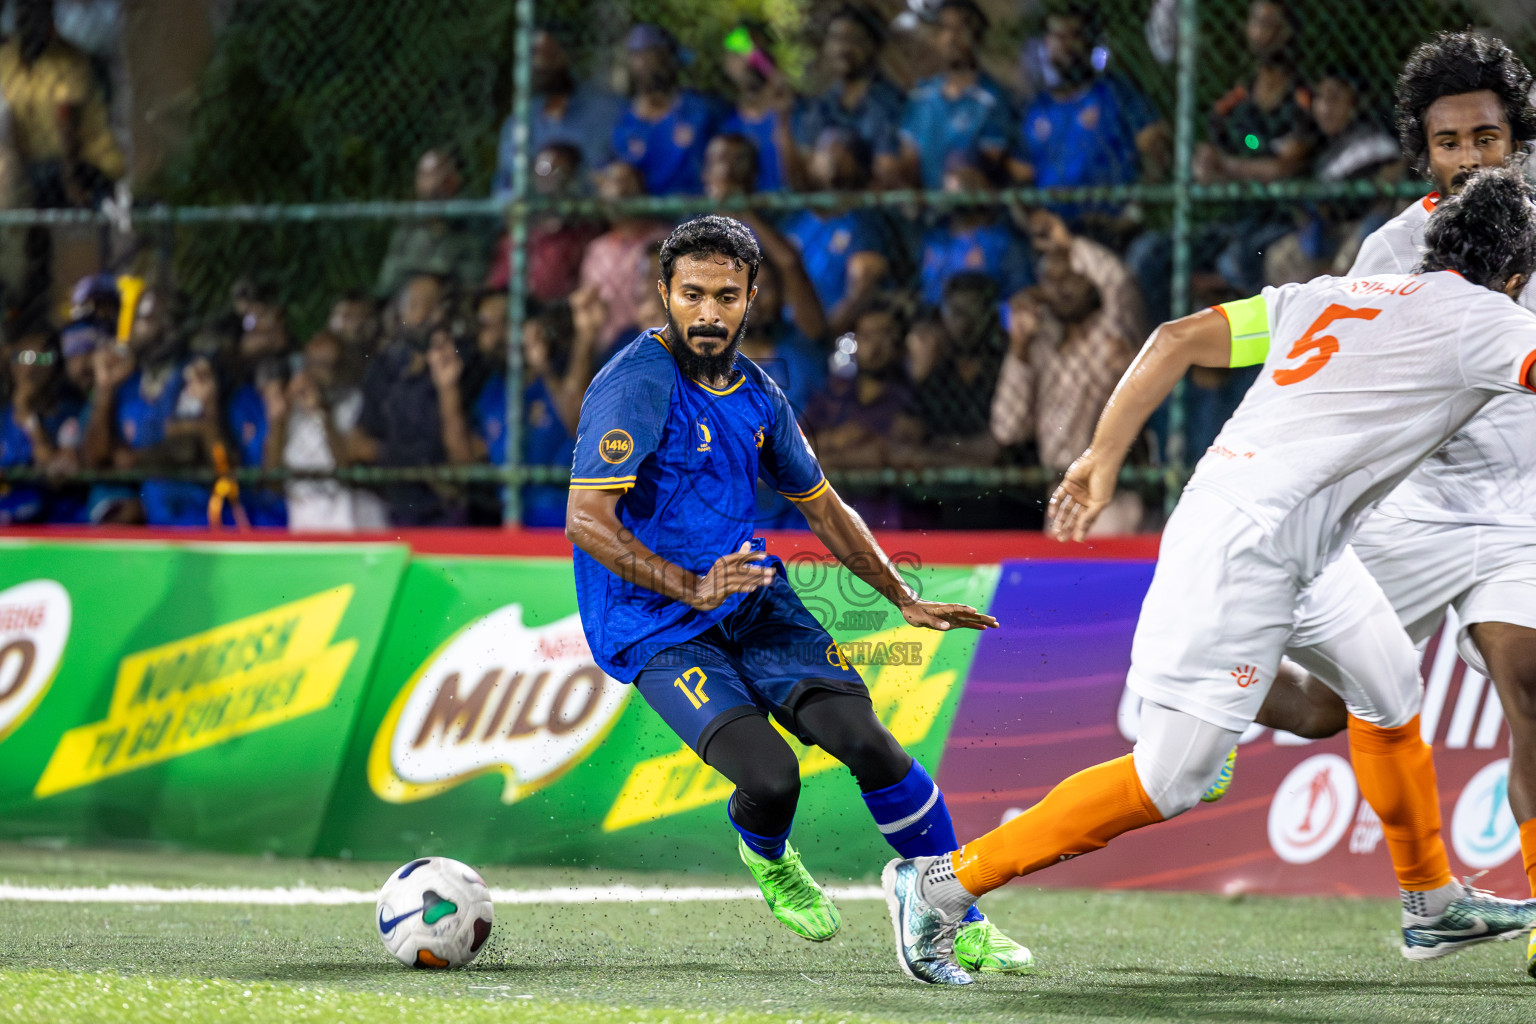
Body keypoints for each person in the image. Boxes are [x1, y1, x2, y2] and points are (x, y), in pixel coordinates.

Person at [883, 166, 1536, 985]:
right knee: (1170, 780)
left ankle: (1431, 906)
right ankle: (938, 886)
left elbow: (1172, 340)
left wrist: (1099, 458)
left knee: (1389, 679)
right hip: (1247, 556)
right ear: (1515, 276)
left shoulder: (1337, 292)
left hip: (1293, 538)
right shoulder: (1489, 317)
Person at [564, 215, 1033, 974]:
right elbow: (586, 519)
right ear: (663, 294)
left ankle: (956, 909)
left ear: (752, 296)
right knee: (771, 777)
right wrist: (688, 584)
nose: (708, 313)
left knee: (867, 742)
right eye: (691, 295)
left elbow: (822, 506)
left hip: (751, 598)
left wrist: (902, 597)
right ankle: (767, 852)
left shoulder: (759, 394)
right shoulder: (635, 384)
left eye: (725, 295)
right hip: (654, 623)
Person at [1216, 35, 1536, 979]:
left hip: (1521, 510)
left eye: (1489, 135)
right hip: (1417, 505)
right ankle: (1198, 688)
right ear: (1421, 150)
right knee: (1319, 709)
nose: (1471, 156)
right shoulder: (1394, 248)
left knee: (1530, 686)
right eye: (1449, 142)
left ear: (1519, 137)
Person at [991, 209, 1141, 479]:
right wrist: (1019, 350)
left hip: (1111, 486)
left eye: (1069, 278)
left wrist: (1068, 244)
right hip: (1057, 485)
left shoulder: (1110, 331)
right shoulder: (1039, 341)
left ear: (1089, 282)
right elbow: (1007, 428)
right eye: (1051, 281)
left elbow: (1117, 282)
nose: (1061, 289)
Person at [1017, 3, 1169, 234]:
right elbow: (1018, 178)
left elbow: (1156, 147)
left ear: (1091, 43)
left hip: (1111, 228)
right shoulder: (1036, 109)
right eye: (1058, 36)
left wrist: (1132, 213)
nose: (1066, 45)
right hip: (1054, 233)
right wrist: (1034, 222)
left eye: (1075, 36)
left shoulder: (1114, 93)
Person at [350, 273, 478, 526]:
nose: (433, 314)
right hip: (398, 508)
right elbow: (356, 445)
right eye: (420, 304)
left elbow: (464, 458)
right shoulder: (385, 368)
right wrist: (420, 467)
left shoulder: (467, 364)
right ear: (399, 316)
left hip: (451, 511)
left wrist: (447, 387)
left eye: (439, 304)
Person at [471, 288, 605, 528]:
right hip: (509, 519)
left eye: (509, 323)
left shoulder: (561, 375)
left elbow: (580, 424)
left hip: (562, 516)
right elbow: (468, 457)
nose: (502, 335)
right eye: (488, 325)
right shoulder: (493, 389)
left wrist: (544, 368)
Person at [1264, 70, 1401, 285]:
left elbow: (1390, 184)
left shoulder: (1371, 139)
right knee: (1277, 258)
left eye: (1336, 97)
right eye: (1320, 97)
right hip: (1326, 231)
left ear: (1355, 103)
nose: (1326, 107)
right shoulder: (1317, 144)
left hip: (1362, 228)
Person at [261, 330, 387, 532]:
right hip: (306, 528)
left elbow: (346, 469)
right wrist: (280, 420)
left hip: (355, 526)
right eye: (312, 363)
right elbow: (272, 480)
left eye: (327, 364)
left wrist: (324, 414)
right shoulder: (292, 410)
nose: (317, 373)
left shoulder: (357, 403)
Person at [781, 129, 891, 335]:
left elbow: (861, 292)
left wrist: (823, 339)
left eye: (843, 150)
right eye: (824, 149)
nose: (831, 154)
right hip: (784, 335)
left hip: (827, 336)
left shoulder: (864, 225)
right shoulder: (796, 218)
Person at [897, 0, 1016, 189]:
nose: (952, 38)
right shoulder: (920, 96)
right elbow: (909, 158)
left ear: (977, 38)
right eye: (944, 29)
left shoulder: (993, 100)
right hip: (926, 209)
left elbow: (990, 164)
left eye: (961, 29)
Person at [493, 28, 622, 198]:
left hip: (596, 217)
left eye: (550, 53)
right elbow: (503, 190)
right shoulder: (517, 124)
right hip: (536, 219)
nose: (541, 61)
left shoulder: (609, 110)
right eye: (533, 54)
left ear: (568, 56)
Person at [793, 5, 905, 190]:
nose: (843, 48)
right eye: (836, 39)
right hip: (823, 204)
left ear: (874, 46)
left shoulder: (889, 102)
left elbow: (888, 172)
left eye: (854, 40)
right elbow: (807, 169)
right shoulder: (818, 105)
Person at [612, 25, 723, 196]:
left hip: (698, 213)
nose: (646, 63)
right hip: (644, 217)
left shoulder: (702, 109)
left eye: (655, 54)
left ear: (673, 59)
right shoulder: (622, 122)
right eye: (638, 56)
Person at [918, 151, 1034, 308]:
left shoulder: (1001, 241)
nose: (957, 185)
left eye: (966, 178)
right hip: (936, 323)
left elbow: (1020, 294)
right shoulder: (933, 238)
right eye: (951, 176)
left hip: (985, 323)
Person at [487, 142, 601, 302]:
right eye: (543, 168)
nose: (549, 177)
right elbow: (497, 283)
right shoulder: (517, 229)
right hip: (516, 308)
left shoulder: (581, 234)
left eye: (559, 171)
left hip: (558, 310)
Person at [578, 162, 671, 348]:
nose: (618, 190)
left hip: (656, 337)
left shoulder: (666, 239)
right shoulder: (597, 250)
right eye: (611, 182)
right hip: (610, 348)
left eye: (626, 182)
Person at [375, 148, 490, 299]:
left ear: (455, 180)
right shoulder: (407, 228)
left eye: (438, 173)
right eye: (424, 175)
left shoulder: (472, 227)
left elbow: (472, 280)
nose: (433, 183)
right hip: (403, 307)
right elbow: (387, 282)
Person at [0, 325, 82, 523]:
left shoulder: (70, 415)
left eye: (42, 358)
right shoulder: (3, 418)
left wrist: (29, 419)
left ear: (57, 369)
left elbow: (56, 478)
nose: (29, 367)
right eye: (22, 357)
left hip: (57, 518)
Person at [719, 23, 796, 193]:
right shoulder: (723, 123)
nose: (748, 59)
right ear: (727, 64)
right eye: (738, 52)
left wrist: (771, 75)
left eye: (757, 53)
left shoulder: (791, 113)